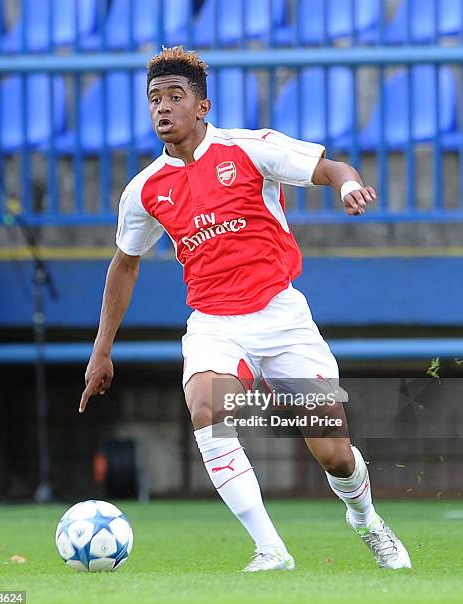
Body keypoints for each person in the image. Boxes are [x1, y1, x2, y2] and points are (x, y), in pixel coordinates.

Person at [79, 46, 411, 573]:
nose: (163, 108)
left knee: (334, 453)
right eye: (154, 99)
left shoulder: (251, 150)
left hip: (280, 315)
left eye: (175, 96)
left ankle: (365, 517)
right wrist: (101, 351)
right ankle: (270, 549)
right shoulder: (144, 190)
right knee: (208, 412)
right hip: (214, 323)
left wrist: (347, 184)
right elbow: (124, 265)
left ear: (203, 106)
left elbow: (330, 167)